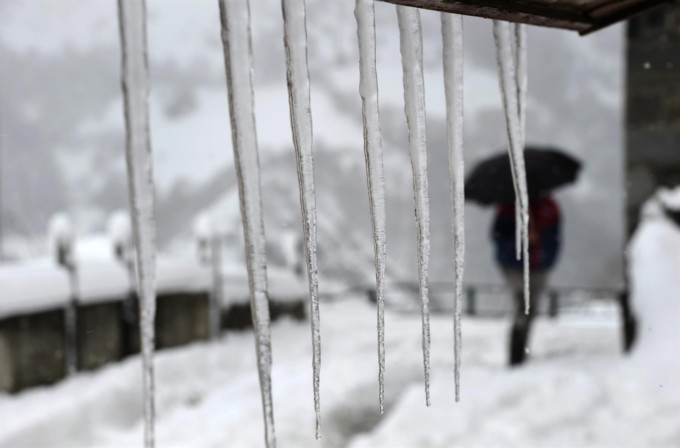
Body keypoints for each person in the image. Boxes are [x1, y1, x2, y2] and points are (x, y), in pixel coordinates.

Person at [492, 195, 562, 366]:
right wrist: (521, 239)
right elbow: (498, 236)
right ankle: (516, 352)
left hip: (539, 265)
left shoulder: (550, 208)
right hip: (515, 266)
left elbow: (554, 238)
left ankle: (521, 348)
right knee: (523, 304)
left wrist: (543, 250)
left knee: (531, 307)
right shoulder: (509, 208)